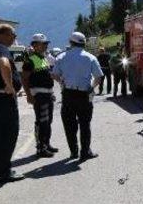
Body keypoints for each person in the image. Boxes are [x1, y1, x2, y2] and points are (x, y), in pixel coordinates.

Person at [52, 32, 103, 161]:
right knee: (85, 124)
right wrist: (91, 87)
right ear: (84, 43)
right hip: (84, 94)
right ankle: (85, 152)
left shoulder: (61, 57)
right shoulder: (90, 57)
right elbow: (98, 76)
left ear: (71, 42)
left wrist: (62, 82)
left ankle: (73, 152)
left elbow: (54, 74)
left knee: (69, 125)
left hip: (68, 94)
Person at [0, 24, 24, 183]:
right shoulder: (1, 48)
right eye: (14, 35)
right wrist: (9, 85)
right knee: (8, 135)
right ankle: (3, 172)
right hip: (3, 99)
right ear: (4, 34)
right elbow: (4, 63)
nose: (14, 38)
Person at [22, 33, 58, 158]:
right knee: (42, 121)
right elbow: (25, 79)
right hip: (39, 95)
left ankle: (47, 144)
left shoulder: (43, 58)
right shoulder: (30, 60)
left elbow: (47, 77)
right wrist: (28, 95)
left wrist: (51, 93)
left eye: (46, 44)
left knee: (48, 121)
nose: (46, 46)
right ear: (35, 45)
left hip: (47, 94)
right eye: (43, 44)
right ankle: (40, 148)